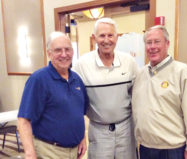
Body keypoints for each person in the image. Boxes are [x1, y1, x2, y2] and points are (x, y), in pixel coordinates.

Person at [132, 25, 187, 159]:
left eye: (157, 41)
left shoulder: (182, 72)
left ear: (167, 44)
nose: (152, 46)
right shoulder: (140, 74)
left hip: (172, 150)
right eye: (149, 42)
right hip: (145, 148)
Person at [74, 17, 138, 159]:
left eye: (110, 35)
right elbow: (75, 102)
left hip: (126, 128)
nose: (106, 40)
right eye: (102, 35)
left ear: (117, 37)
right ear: (94, 38)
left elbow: (137, 96)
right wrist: (79, 134)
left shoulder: (129, 62)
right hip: (98, 130)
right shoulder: (81, 65)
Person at [17, 31, 89, 159]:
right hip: (49, 151)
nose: (64, 54)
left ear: (72, 52)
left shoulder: (76, 79)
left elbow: (79, 113)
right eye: (58, 50)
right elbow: (23, 120)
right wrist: (30, 153)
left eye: (67, 49)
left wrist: (82, 138)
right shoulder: (38, 79)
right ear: (49, 53)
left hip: (74, 151)